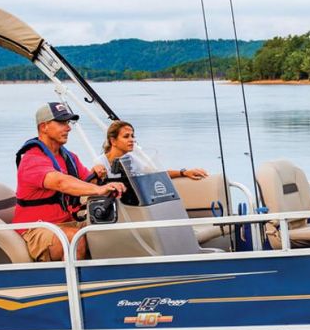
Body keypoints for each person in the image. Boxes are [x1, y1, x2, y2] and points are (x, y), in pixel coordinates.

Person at [15, 102, 125, 261]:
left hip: (67, 222)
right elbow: (61, 183)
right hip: (36, 228)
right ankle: (77, 284)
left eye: (68, 122)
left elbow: (88, 184)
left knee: (112, 229)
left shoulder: (69, 157)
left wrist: (97, 177)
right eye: (61, 123)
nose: (68, 128)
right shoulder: (32, 160)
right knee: (74, 239)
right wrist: (99, 190)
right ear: (44, 126)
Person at [91, 120, 208, 182]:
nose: (132, 140)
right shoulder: (100, 163)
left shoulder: (131, 159)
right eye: (126, 137)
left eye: (133, 136)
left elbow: (156, 174)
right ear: (113, 141)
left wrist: (184, 172)